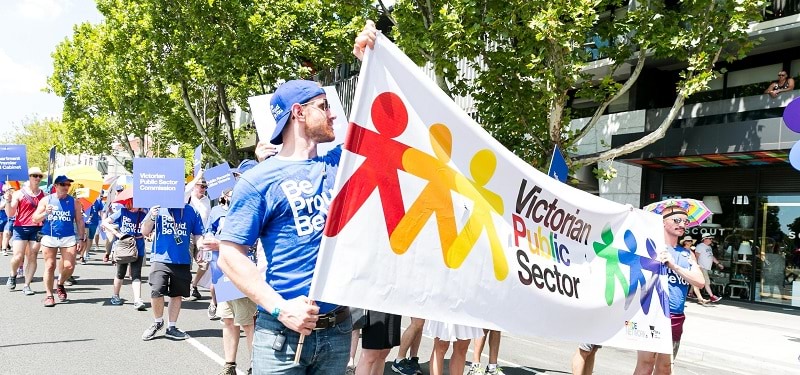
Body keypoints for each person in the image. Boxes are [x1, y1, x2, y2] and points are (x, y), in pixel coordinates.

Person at [217, 78, 351, 373]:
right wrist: (281, 308)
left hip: (338, 331)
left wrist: (369, 55)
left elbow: (379, 124)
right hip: (281, 336)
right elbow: (229, 255)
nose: (333, 114)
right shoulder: (258, 180)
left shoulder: (339, 164)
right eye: (324, 106)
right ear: (298, 112)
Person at [634, 206, 705, 375]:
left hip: (676, 316)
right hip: (652, 313)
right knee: (646, 364)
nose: (682, 224)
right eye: (677, 220)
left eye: (685, 221)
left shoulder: (687, 254)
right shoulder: (651, 246)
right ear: (663, 222)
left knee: (665, 369)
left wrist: (673, 266)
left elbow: (700, 282)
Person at [204, 188, 258, 375]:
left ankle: (255, 367)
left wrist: (219, 245)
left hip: (242, 271)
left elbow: (252, 243)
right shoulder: (217, 211)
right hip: (222, 272)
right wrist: (204, 242)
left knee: (247, 323)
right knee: (227, 320)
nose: (229, 191)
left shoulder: (249, 209)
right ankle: (229, 365)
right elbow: (208, 231)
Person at [140, 202, 204, 341]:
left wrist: (200, 248)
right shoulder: (158, 208)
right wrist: (152, 215)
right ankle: (157, 322)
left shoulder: (191, 211)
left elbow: (198, 234)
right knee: (156, 290)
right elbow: (144, 231)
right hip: (160, 258)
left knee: (177, 294)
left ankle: (172, 327)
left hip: (181, 259)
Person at [32, 175, 85, 306]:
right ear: (55, 186)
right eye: (63, 184)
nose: (66, 187)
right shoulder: (46, 200)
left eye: (68, 185)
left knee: (69, 266)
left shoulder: (74, 202)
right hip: (49, 236)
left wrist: (81, 238)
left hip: (68, 237)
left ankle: (60, 284)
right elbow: (35, 219)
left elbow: (79, 221)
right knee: (50, 266)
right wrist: (45, 213)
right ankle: (49, 296)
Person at [5, 167, 46, 294]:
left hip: (38, 229)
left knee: (32, 255)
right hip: (20, 228)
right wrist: (7, 200)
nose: (37, 178)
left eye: (39, 176)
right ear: (29, 177)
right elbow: (10, 213)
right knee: (17, 256)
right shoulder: (19, 193)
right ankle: (13, 275)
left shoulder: (45, 195)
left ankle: (27, 285)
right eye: (35, 175)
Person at [102, 198, 147, 310]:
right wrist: (117, 233)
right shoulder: (122, 212)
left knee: (136, 274)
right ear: (129, 202)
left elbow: (149, 229)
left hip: (138, 247)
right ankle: (115, 295)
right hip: (123, 246)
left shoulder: (143, 214)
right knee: (120, 273)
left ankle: (137, 300)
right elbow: (105, 222)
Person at [186, 178, 211, 301]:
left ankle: (193, 285)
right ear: (195, 186)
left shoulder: (207, 200)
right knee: (187, 263)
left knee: (204, 263)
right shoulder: (188, 197)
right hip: (189, 234)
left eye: (205, 187)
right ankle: (186, 288)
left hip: (202, 235)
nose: (203, 189)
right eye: (201, 186)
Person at [693, 233, 724, 303]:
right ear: (705, 239)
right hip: (701, 267)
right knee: (707, 282)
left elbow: (711, 257)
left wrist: (718, 264)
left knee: (697, 282)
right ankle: (712, 296)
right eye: (710, 239)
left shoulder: (709, 247)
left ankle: (691, 293)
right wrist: (696, 265)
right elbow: (696, 256)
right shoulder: (700, 246)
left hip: (705, 267)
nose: (711, 240)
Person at [80, 195, 104, 264]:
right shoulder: (85, 199)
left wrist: (103, 221)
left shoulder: (98, 201)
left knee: (90, 239)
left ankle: (86, 252)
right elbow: (81, 210)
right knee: (85, 238)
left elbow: (101, 211)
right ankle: (83, 255)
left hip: (94, 222)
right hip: (85, 222)